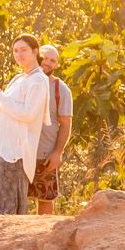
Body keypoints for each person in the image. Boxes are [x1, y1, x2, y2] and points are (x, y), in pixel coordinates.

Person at [0, 34, 54, 216]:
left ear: (35, 51)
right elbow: (1, 111)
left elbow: (28, 114)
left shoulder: (38, 80)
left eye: (23, 50)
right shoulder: (18, 79)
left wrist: (0, 96)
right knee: (6, 201)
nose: (19, 54)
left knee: (11, 206)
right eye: (15, 50)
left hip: (17, 151)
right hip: (4, 146)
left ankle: (9, 243)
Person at [33, 44, 74, 215]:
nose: (47, 62)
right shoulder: (23, 82)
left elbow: (65, 124)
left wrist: (57, 153)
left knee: (45, 199)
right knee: (17, 198)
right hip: (21, 153)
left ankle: (42, 238)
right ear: (36, 56)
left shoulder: (61, 90)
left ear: (57, 65)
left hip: (46, 155)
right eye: (45, 57)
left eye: (53, 60)